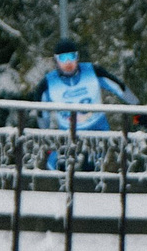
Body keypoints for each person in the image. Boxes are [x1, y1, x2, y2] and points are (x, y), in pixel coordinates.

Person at [37, 37, 135, 170]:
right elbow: (42, 113)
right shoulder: (49, 83)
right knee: (57, 166)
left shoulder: (92, 71)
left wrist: (138, 109)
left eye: (72, 57)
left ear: (77, 57)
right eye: (63, 58)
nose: (68, 62)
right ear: (56, 60)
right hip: (68, 133)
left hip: (97, 130)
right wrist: (46, 137)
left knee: (91, 167)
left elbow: (119, 88)